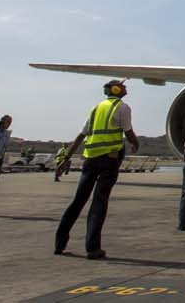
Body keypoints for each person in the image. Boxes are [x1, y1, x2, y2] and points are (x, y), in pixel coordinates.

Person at [55, 80, 139, 259]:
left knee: (78, 200)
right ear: (116, 89)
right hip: (109, 160)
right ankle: (92, 248)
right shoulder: (122, 107)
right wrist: (135, 143)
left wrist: (65, 158)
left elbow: (81, 136)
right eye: (122, 86)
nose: (126, 88)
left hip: (90, 160)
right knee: (99, 202)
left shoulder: (96, 108)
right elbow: (128, 131)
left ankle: (59, 244)